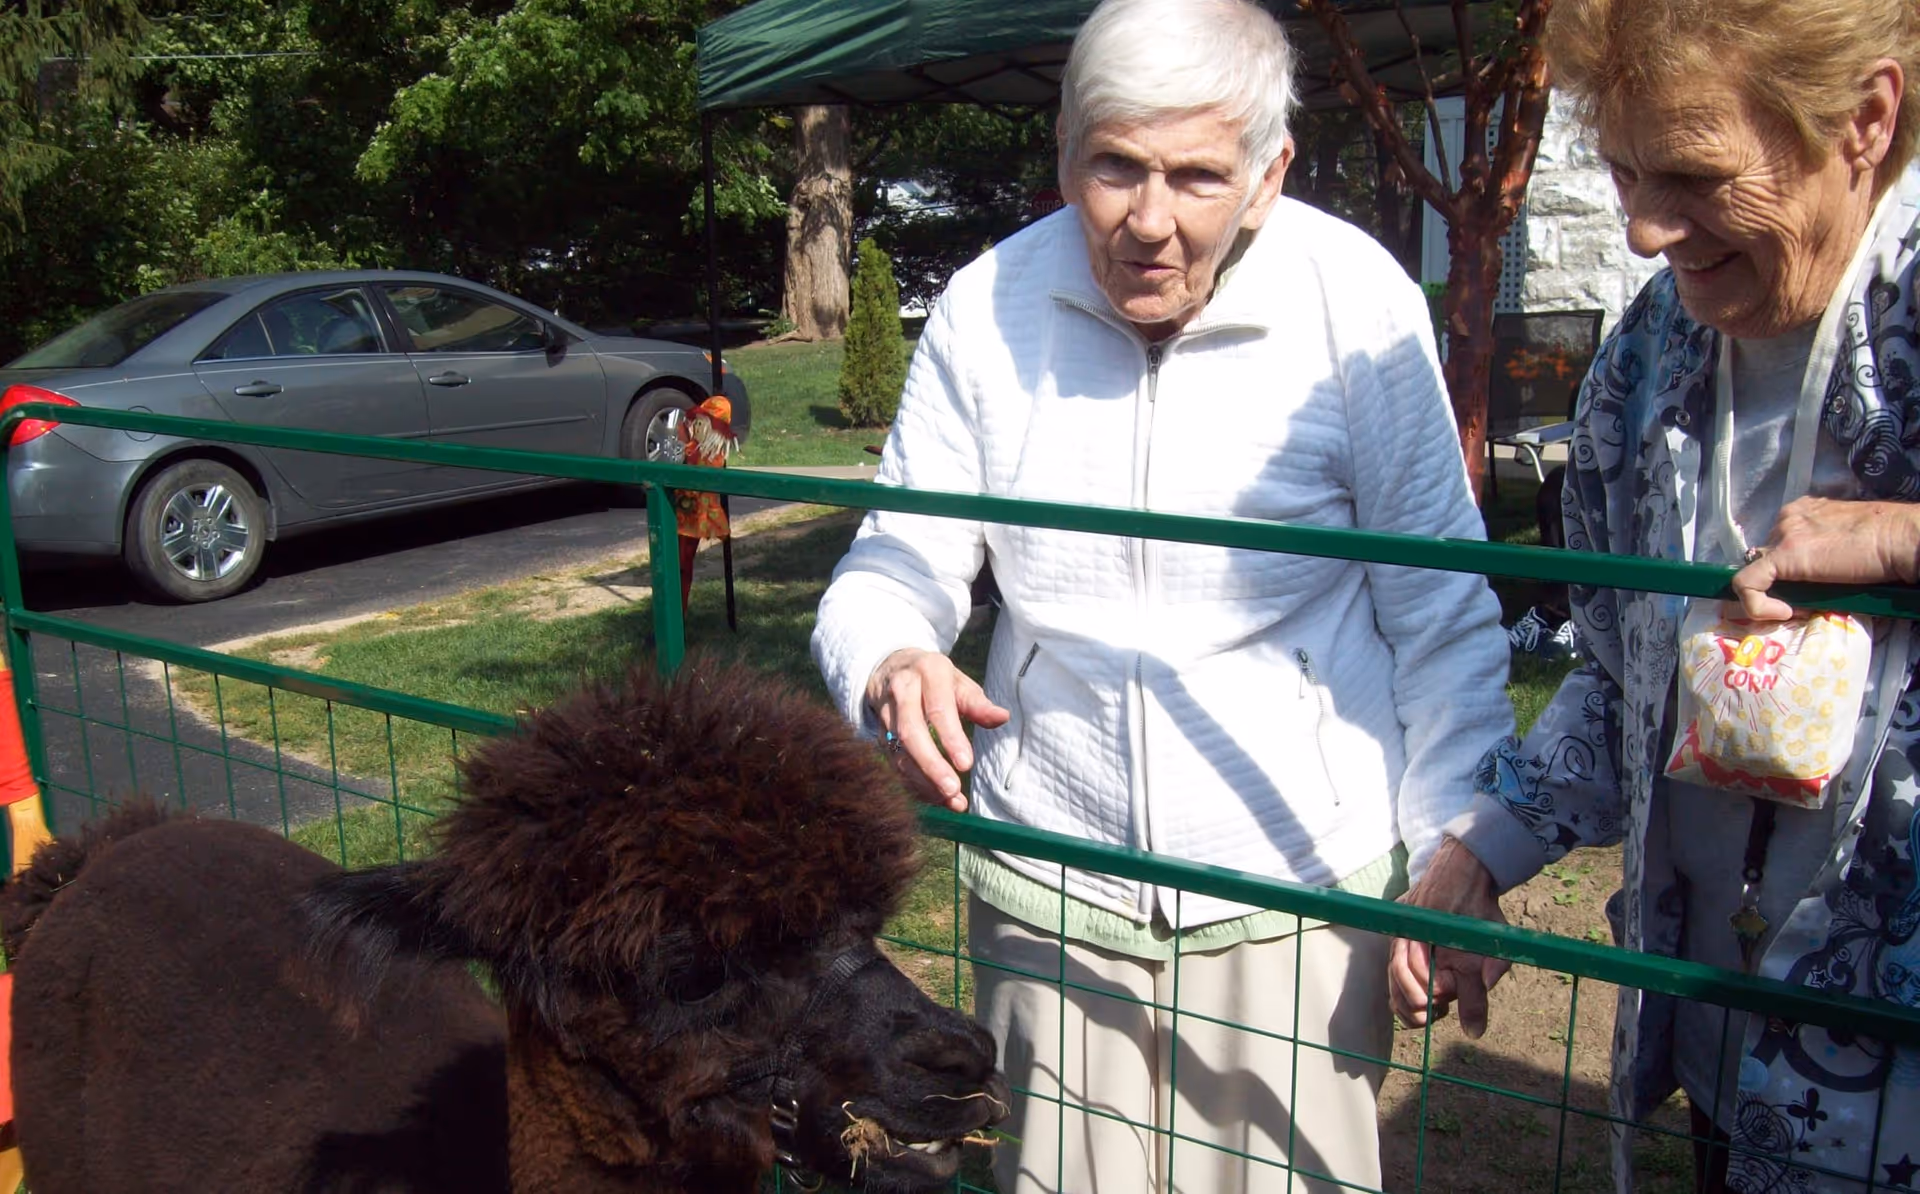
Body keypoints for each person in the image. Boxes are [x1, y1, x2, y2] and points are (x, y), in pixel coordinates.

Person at [810, 0, 1512, 1189]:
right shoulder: (985, 309)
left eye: (1197, 176)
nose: (1149, 220)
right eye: (1115, 167)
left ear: (1269, 173)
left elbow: (1439, 613)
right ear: (1064, 155)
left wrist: (1461, 842)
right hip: (1047, 881)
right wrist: (888, 652)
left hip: (1294, 891)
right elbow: (896, 558)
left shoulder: (1357, 308)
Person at [1394, 2, 1920, 1190]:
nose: (1642, 230)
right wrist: (1484, 845)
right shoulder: (1648, 356)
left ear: (1865, 119)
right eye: (1625, 172)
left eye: (1693, 175)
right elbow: (1621, 666)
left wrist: (1901, 540)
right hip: (1734, 1055)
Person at [669, 395, 737, 615]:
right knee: (677, 563)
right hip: (683, 513)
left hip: (694, 516)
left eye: (699, 422)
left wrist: (684, 442)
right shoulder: (696, 447)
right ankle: (676, 609)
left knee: (681, 563)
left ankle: (677, 611)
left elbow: (695, 470)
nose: (694, 425)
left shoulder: (711, 454)